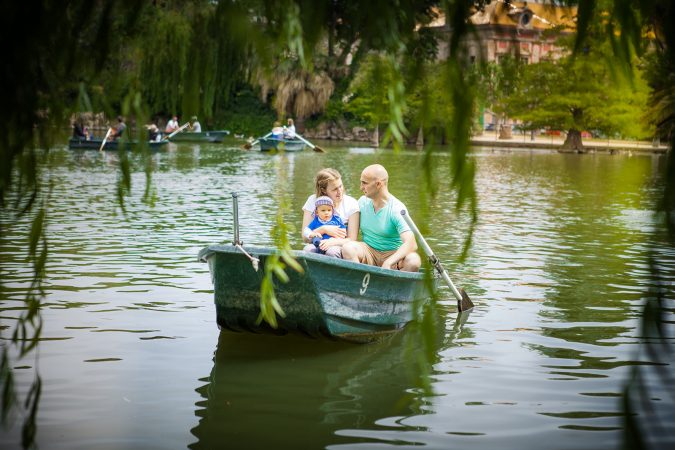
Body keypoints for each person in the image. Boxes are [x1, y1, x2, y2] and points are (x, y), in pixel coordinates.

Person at [341, 164, 421, 272]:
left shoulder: (396, 209)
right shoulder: (362, 202)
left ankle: (393, 285)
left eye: (364, 183)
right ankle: (359, 282)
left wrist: (388, 262)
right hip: (368, 251)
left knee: (413, 261)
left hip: (392, 255)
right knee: (348, 248)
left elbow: (411, 243)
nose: (361, 187)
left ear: (378, 184)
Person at [301, 168, 360, 258]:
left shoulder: (351, 203)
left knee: (331, 253)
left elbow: (352, 239)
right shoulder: (312, 201)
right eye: (335, 189)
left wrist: (332, 242)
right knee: (308, 250)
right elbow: (305, 238)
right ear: (324, 190)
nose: (340, 191)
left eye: (340, 186)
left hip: (339, 245)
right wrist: (324, 229)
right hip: (317, 242)